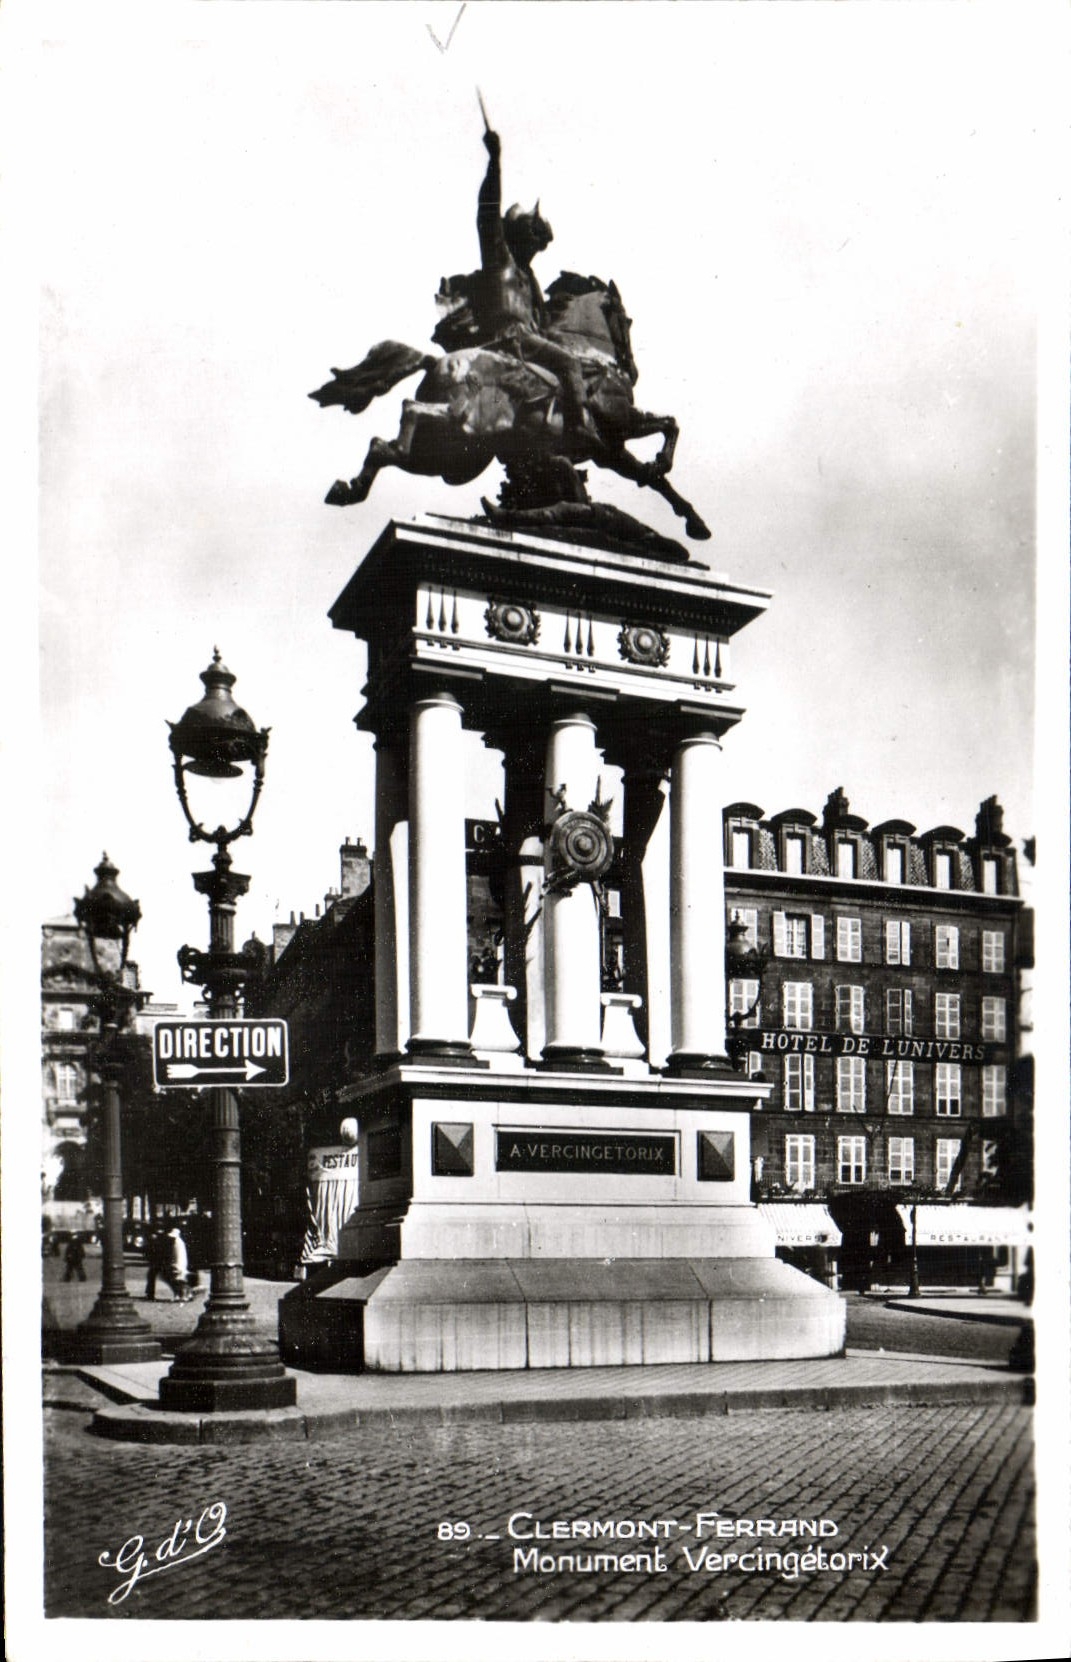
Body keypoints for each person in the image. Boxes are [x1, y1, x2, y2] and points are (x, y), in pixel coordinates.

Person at [168, 1226, 192, 1302]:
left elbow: (179, 1256)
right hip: (180, 1264)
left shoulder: (178, 1243)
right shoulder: (178, 1242)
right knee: (180, 1281)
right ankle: (184, 1295)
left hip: (179, 1265)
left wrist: (176, 1265)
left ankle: (183, 1295)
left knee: (180, 1282)